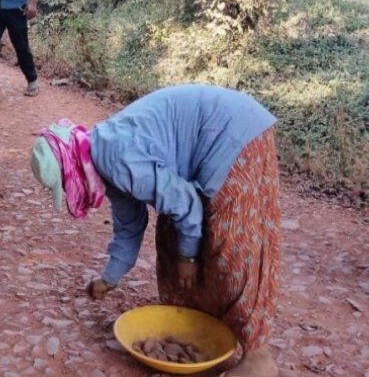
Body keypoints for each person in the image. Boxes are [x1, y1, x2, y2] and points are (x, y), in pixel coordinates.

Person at [30, 84, 281, 377]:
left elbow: (185, 203)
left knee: (231, 242)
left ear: (72, 169)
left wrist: (188, 258)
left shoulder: (115, 156)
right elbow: (129, 228)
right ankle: (199, 323)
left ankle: (258, 359)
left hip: (234, 133)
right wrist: (108, 279)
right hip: (216, 137)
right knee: (173, 235)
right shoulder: (102, 160)